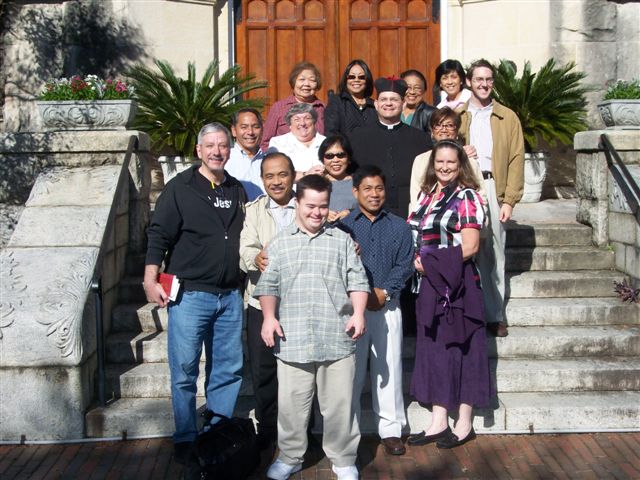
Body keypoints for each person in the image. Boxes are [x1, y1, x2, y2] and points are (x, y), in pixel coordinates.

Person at [143, 122, 247, 464]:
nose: (217, 151)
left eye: (223, 146)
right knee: (185, 371)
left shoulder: (237, 189)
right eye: (211, 146)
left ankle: (215, 433)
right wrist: (150, 276)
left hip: (230, 296)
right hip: (190, 296)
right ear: (199, 151)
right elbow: (159, 234)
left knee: (227, 370)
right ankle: (186, 436)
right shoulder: (180, 188)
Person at [254, 175, 370, 480]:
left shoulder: (343, 241)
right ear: (297, 204)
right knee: (292, 407)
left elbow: (358, 281)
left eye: (322, 206)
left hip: (337, 337)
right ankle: (291, 456)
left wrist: (358, 313)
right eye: (310, 206)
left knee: (340, 406)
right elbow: (269, 284)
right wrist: (269, 317)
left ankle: (343, 458)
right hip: (293, 339)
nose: (317, 213)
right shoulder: (279, 242)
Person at [406, 139, 492, 450]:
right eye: (439, 162)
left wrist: (428, 263)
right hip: (429, 284)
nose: (444, 167)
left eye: (451, 163)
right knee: (435, 350)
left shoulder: (466, 197)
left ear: (460, 166)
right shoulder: (426, 195)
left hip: (458, 284)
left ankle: (464, 422)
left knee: (463, 349)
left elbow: (470, 247)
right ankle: (439, 420)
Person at [339, 165, 414, 456]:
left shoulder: (399, 226)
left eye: (379, 188)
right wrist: (359, 296)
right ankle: (348, 429)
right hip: (351, 311)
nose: (374, 194)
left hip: (387, 307)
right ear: (355, 191)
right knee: (352, 373)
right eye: (367, 188)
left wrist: (383, 292)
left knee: (389, 369)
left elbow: (406, 264)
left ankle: (391, 429)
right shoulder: (343, 227)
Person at [458, 59, 525, 337]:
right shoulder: (459, 116)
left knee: (494, 254)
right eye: (478, 79)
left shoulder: (507, 117)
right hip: (466, 189)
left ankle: (495, 315)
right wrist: (463, 152)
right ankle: (468, 314)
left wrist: (509, 199)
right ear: (468, 82)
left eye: (488, 80)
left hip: (493, 187)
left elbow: (516, 158)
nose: (484, 84)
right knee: (464, 251)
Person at [239, 152, 297, 452]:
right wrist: (254, 257)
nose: (276, 181)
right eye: (270, 176)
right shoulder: (254, 210)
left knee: (301, 372)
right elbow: (244, 247)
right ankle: (267, 428)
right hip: (261, 304)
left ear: (293, 175)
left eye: (282, 174)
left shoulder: (307, 206)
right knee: (263, 372)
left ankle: (303, 430)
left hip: (299, 303)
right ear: (262, 180)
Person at [350, 76, 432, 217]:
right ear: (376, 104)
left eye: (394, 100)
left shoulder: (420, 138)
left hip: (410, 209)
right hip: (370, 210)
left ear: (404, 104)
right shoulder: (357, 137)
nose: (388, 104)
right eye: (384, 99)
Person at [409, 107, 484, 211]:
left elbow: (480, 193)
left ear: (457, 130)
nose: (444, 129)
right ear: (432, 131)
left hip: (462, 220)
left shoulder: (468, 158)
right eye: (438, 125)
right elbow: (415, 196)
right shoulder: (420, 160)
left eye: (449, 125)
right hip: (427, 220)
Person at [261, 61, 325, 151]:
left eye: (312, 80)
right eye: (302, 79)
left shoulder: (323, 108)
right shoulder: (279, 108)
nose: (306, 84)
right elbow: (265, 142)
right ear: (293, 82)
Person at [268, 103, 326, 181]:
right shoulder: (278, 143)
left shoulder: (326, 142)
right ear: (290, 125)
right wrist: (306, 174)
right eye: (297, 119)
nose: (302, 123)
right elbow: (275, 172)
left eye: (307, 118)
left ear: (314, 121)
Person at [324, 59, 377, 137]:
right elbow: (331, 133)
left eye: (361, 77)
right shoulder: (337, 101)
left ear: (367, 79)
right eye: (352, 77)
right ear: (346, 79)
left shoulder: (374, 105)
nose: (356, 80)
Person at [226, 108, 267, 200]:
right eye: (244, 127)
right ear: (234, 130)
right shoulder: (225, 160)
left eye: (255, 126)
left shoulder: (268, 160)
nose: (250, 132)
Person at [319, 133, 357, 222]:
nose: (335, 160)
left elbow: (369, 208)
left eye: (340, 155)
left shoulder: (359, 183)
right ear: (322, 160)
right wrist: (324, 213)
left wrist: (350, 212)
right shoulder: (316, 183)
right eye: (329, 156)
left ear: (348, 158)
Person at [400, 69, 436, 134]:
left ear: (424, 90)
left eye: (417, 88)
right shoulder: (393, 111)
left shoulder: (432, 114)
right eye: (408, 87)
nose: (412, 92)